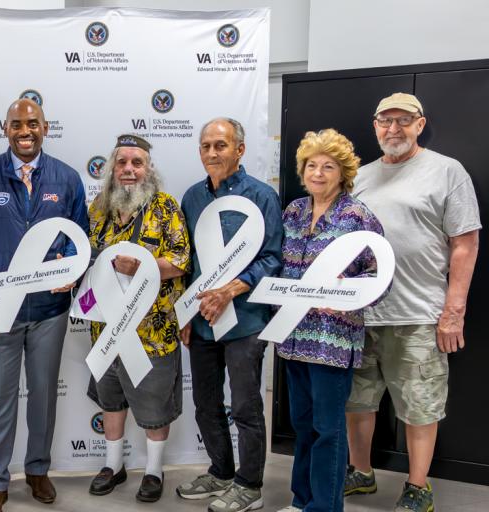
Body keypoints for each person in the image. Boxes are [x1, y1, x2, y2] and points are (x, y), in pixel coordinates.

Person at [345, 93, 480, 512]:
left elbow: (465, 243)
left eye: (404, 120)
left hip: (418, 313)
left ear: (420, 124)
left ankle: (418, 487)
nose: (394, 129)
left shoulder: (447, 171)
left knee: (421, 405)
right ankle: (361, 472)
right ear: (375, 126)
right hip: (359, 314)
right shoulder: (359, 177)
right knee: (357, 401)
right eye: (386, 121)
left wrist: (453, 312)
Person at [0, 98, 90, 512]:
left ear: (45, 127)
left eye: (32, 123)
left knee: (44, 395)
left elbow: (80, 237)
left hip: (51, 310)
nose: (25, 131)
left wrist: (72, 270)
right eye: (16, 124)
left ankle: (37, 470)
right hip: (1, 310)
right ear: (6, 129)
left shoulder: (67, 178)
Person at [273, 129, 383, 512]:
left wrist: (346, 295)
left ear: (343, 173)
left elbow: (379, 278)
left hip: (332, 341)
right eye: (311, 166)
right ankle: (301, 501)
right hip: (292, 337)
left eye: (328, 166)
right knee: (302, 425)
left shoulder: (358, 216)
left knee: (327, 430)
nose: (318, 173)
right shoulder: (293, 212)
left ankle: (324, 507)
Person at [176, 117, 283, 512]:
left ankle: (249, 485)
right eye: (205, 146)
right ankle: (221, 472)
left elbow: (272, 257)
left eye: (220, 145)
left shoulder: (262, 196)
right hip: (202, 321)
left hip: (246, 321)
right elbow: (188, 263)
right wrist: (186, 314)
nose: (212, 153)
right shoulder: (192, 197)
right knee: (206, 404)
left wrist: (230, 290)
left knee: (245, 407)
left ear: (239, 149)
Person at [84, 135, 190, 502]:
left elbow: (181, 261)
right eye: (122, 162)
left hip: (152, 333)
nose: (129, 169)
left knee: (154, 404)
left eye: (137, 163)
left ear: (149, 169)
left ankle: (154, 470)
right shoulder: (98, 208)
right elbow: (87, 259)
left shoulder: (166, 207)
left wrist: (143, 267)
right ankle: (113, 466)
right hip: (105, 329)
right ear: (112, 168)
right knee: (110, 399)